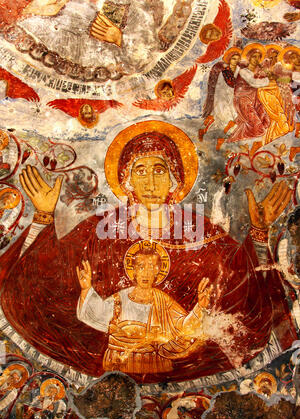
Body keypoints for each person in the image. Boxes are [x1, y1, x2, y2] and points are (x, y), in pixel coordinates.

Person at [0, 120, 296, 383]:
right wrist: (41, 217)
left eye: (159, 170)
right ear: (127, 180)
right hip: (111, 357)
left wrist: (259, 233)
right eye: (140, 171)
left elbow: (243, 290)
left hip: (185, 360)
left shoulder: (202, 232)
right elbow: (44, 280)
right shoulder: (99, 228)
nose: (150, 181)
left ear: (175, 180)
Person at [76, 242, 210, 375]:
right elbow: (95, 313)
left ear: (157, 271)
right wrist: (86, 288)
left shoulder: (163, 302)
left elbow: (183, 328)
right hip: (119, 364)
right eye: (141, 267)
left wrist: (200, 307)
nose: (146, 273)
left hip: (153, 365)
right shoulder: (120, 299)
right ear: (133, 270)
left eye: (151, 267)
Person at [226, 43, 270, 154]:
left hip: (254, 100)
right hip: (243, 100)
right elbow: (254, 83)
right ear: (249, 57)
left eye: (258, 57)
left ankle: (246, 147)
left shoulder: (256, 72)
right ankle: (246, 148)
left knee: (266, 122)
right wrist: (267, 79)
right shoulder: (243, 71)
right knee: (259, 128)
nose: (256, 59)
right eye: (254, 56)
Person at [199, 47, 242, 142]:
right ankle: (206, 132)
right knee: (221, 115)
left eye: (237, 59)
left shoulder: (239, 70)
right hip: (222, 96)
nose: (235, 61)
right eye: (234, 59)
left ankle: (225, 134)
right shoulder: (224, 70)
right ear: (229, 59)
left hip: (233, 95)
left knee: (234, 115)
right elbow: (220, 86)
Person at [257, 44, 293, 145]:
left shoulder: (282, 67)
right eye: (270, 57)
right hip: (265, 91)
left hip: (279, 91)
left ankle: (270, 139)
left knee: (279, 118)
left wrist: (275, 78)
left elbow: (288, 79)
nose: (273, 58)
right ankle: (275, 136)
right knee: (277, 116)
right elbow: (256, 79)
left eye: (275, 56)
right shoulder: (263, 67)